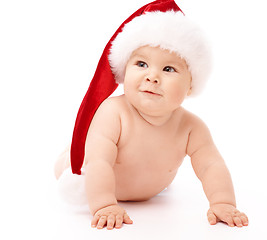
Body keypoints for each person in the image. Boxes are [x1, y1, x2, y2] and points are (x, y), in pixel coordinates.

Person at [55, 0, 249, 230]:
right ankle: (69, 158)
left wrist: (222, 201)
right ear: (123, 70)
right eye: (141, 64)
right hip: (93, 173)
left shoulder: (191, 127)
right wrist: (104, 204)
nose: (152, 77)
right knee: (72, 161)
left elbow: (211, 165)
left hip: (150, 193)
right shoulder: (113, 113)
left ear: (190, 86)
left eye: (169, 69)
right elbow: (99, 162)